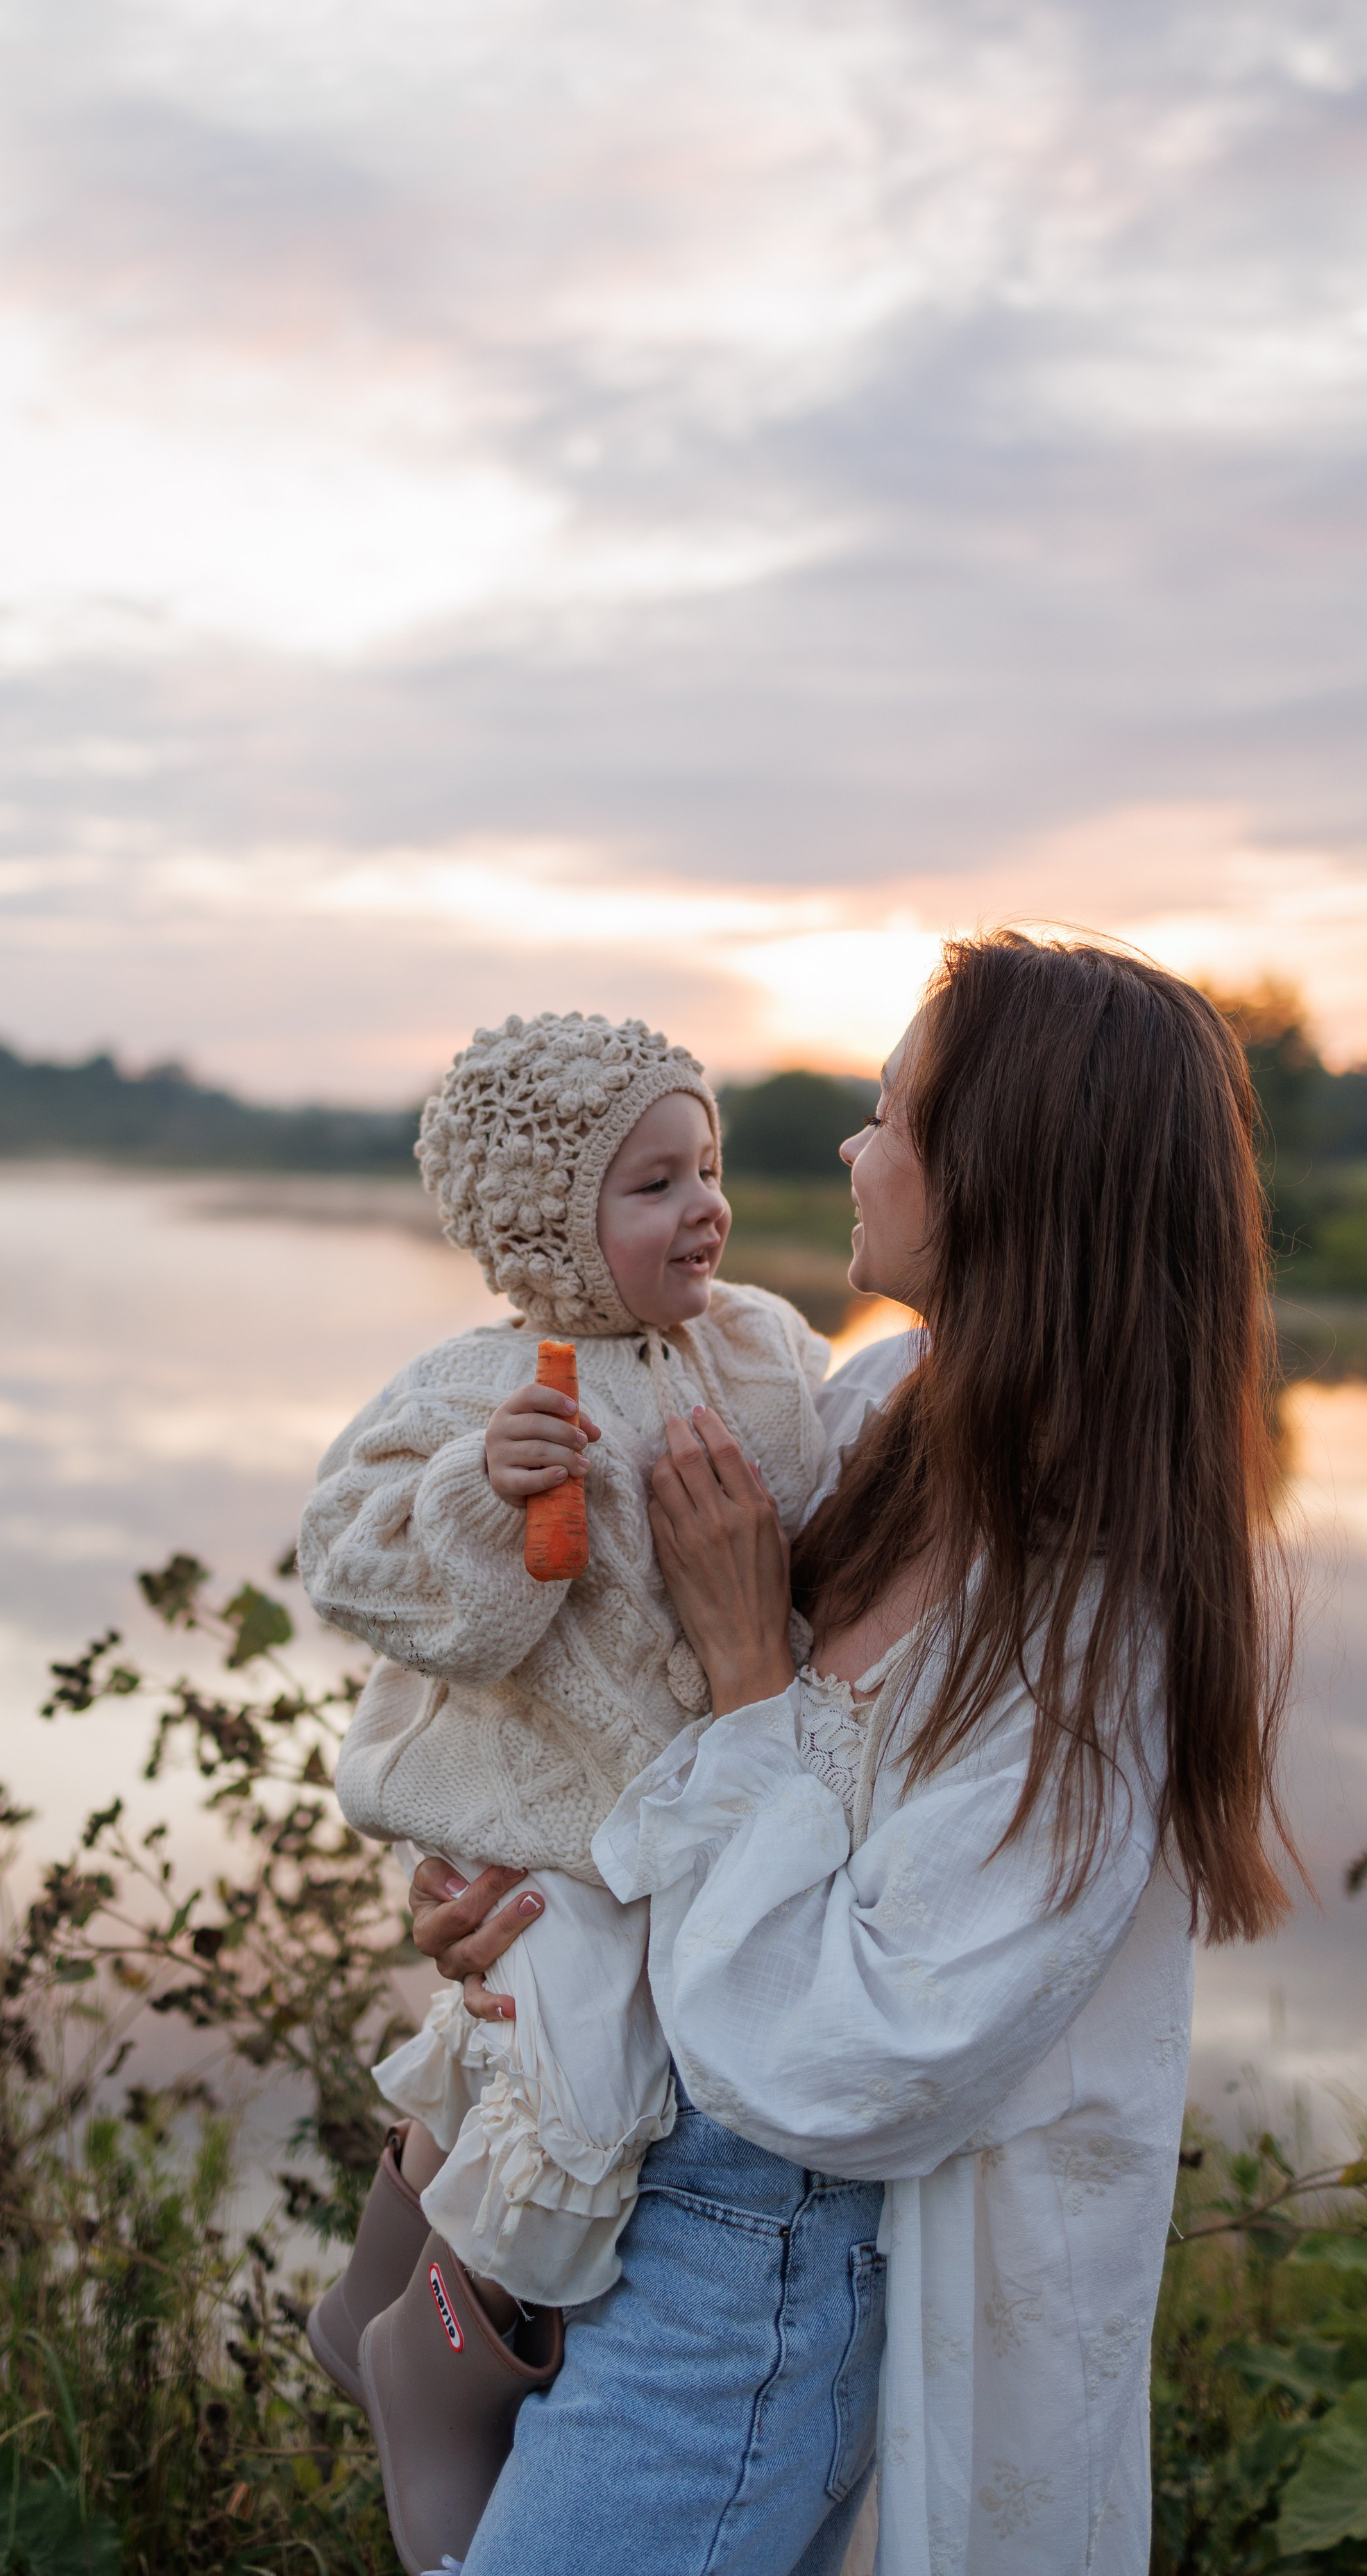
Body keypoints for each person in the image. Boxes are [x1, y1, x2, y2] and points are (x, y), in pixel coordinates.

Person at [409, 934, 1295, 2576]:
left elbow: (854, 2060)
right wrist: (507, 1888)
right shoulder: (873, 1406)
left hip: (759, 2267)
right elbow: (611, 1710)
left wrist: (755, 1667)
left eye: (890, 1111)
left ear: (1004, 1178)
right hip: (636, 2194)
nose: (847, 1144)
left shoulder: (1092, 1627)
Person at [296, 1011, 837, 2570]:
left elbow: (820, 1513)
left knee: (514, 2063)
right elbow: (362, 1566)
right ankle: (436, 2360)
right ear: (542, 1218)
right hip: (551, 1826)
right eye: (653, 1184)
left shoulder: (760, 1348)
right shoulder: (475, 1386)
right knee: (583, 2084)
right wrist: (485, 1494)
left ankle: (367, 2310)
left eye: (709, 1168)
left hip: (685, 1812)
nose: (706, 1209)